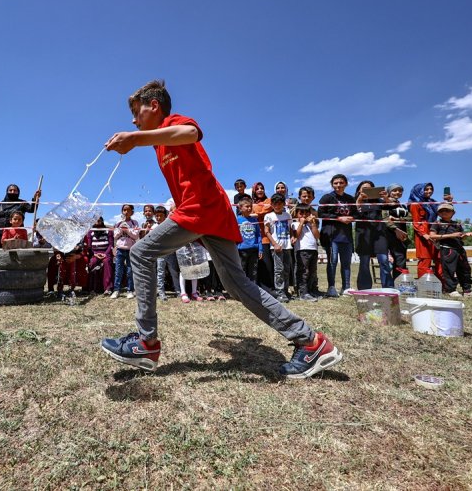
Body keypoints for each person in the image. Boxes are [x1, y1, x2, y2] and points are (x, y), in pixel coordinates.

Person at [100, 80, 342, 378]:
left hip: (203, 209)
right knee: (236, 285)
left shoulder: (174, 123)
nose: (134, 121)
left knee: (140, 253)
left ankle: (146, 342)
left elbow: (191, 133)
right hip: (204, 212)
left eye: (137, 112)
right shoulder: (159, 143)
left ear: (154, 106)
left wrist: (136, 138)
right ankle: (310, 342)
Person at [429, 203, 472, 298]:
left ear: (453, 213)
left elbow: (460, 237)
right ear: (438, 214)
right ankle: (451, 290)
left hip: (459, 249)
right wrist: (451, 235)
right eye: (442, 211)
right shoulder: (437, 224)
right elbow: (432, 236)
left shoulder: (457, 224)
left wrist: (467, 235)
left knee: (465, 270)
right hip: (447, 249)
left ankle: (467, 290)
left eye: (447, 210)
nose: (444, 212)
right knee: (449, 270)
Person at [318, 174, 356, 297]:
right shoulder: (327, 198)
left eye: (341, 182)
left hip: (346, 237)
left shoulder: (350, 199)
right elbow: (321, 213)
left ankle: (346, 287)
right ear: (332, 184)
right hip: (331, 237)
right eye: (335, 183)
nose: (338, 185)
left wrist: (352, 217)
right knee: (332, 262)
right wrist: (339, 218)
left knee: (346, 263)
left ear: (346, 184)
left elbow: (356, 214)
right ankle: (331, 287)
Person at [354, 180, 392, 289]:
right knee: (364, 263)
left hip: (379, 235)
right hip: (363, 235)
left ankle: (388, 288)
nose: (366, 190)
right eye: (364, 188)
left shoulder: (378, 201)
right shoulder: (354, 200)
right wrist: (359, 200)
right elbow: (354, 213)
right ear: (359, 190)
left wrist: (385, 198)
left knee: (384, 260)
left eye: (369, 188)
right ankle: (364, 289)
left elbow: (392, 206)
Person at [409, 183, 444, 280]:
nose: (429, 191)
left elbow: (445, 212)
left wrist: (448, 201)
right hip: (423, 234)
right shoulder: (415, 204)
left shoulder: (433, 202)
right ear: (419, 190)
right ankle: (424, 285)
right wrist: (424, 234)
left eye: (431, 189)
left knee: (439, 258)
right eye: (426, 189)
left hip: (435, 231)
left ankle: (442, 284)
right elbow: (416, 222)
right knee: (425, 260)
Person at [264, 193, 294, 302]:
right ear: (272, 204)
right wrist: (275, 244)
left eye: (280, 204)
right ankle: (280, 291)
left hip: (287, 246)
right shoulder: (269, 216)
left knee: (286, 269)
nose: (277, 206)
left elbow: (290, 228)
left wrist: (292, 237)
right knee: (279, 269)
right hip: (276, 247)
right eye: (275, 204)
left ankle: (286, 290)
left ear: (283, 204)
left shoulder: (287, 215)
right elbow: (267, 231)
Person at [0, 184, 40, 248]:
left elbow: (32, 209)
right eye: (10, 190)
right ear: (7, 191)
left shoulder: (22, 203)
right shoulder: (1, 204)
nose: (12, 192)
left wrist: (35, 198)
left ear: (18, 192)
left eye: (15, 190)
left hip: (15, 235)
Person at [110, 203, 139, 299]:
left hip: (131, 250)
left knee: (130, 271)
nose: (126, 212)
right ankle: (116, 290)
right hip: (120, 249)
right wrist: (121, 230)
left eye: (128, 210)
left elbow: (135, 236)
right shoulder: (118, 223)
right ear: (122, 211)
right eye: (124, 210)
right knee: (118, 271)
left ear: (132, 212)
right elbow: (115, 236)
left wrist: (127, 230)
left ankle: (130, 290)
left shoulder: (135, 223)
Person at [293, 203, 320, 302]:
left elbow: (317, 236)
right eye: (301, 213)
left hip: (313, 249)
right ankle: (302, 292)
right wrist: (301, 223)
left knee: (312, 271)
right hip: (302, 250)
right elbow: (296, 235)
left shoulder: (311, 224)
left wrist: (313, 224)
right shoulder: (294, 224)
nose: (304, 216)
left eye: (306, 213)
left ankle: (309, 290)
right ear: (296, 214)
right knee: (303, 271)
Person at [383, 184, 410, 281]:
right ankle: (387, 283)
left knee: (400, 259)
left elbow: (410, 217)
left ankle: (399, 282)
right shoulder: (385, 203)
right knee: (387, 260)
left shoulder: (402, 205)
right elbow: (385, 218)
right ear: (389, 192)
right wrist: (395, 228)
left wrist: (399, 219)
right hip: (389, 234)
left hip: (402, 235)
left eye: (400, 190)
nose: (397, 192)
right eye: (394, 190)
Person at [153, 206, 181, 300]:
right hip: (160, 253)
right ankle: (161, 292)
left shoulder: (169, 225)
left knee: (174, 272)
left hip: (170, 252)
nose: (158, 218)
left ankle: (178, 291)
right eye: (156, 216)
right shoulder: (154, 227)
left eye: (161, 215)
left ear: (165, 216)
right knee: (160, 273)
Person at [251, 181, 274, 289]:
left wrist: (255, 214)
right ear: (254, 191)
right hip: (254, 237)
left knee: (267, 263)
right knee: (257, 264)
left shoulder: (268, 201)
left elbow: (266, 210)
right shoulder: (251, 202)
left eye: (262, 188)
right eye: (257, 188)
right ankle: (258, 287)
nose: (260, 190)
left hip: (266, 237)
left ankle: (269, 288)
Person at [85, 216, 114, 295]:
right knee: (93, 262)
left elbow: (111, 245)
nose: (97, 222)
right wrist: (95, 254)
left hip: (106, 252)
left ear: (102, 221)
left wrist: (105, 254)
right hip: (95, 253)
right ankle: (93, 288)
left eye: (99, 220)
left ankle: (108, 288)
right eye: (95, 221)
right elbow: (89, 246)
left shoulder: (109, 231)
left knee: (107, 262)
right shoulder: (90, 232)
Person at [236, 195, 262, 282]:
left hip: (254, 250)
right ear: (240, 208)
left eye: (251, 206)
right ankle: (242, 291)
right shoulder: (237, 220)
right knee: (242, 271)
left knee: (253, 272)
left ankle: (253, 291)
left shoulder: (254, 220)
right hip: (242, 251)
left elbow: (258, 235)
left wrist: (260, 249)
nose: (249, 208)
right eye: (247, 206)